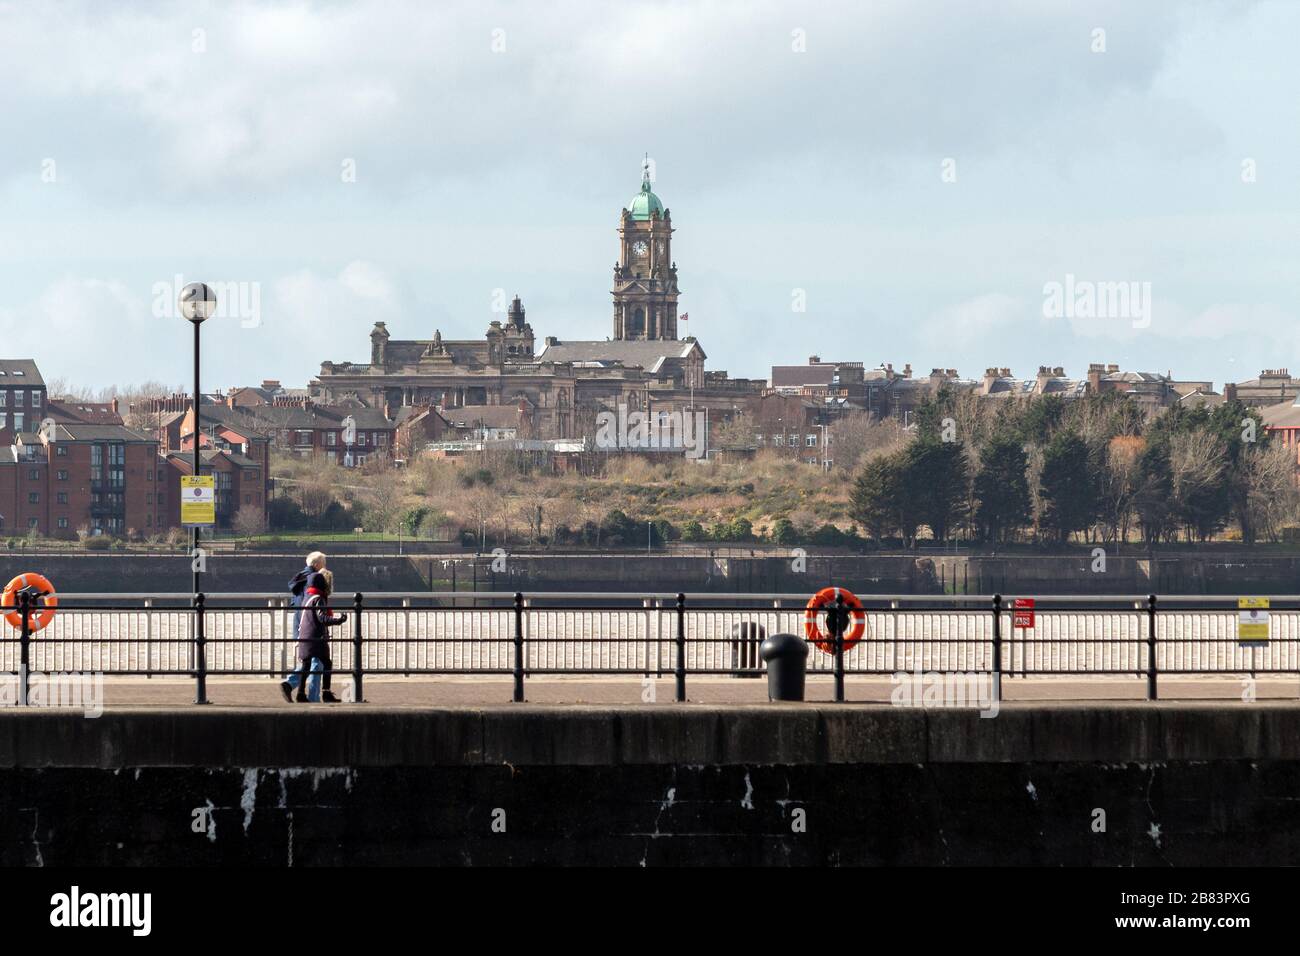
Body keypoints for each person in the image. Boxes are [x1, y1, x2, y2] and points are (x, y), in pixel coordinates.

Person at [280, 568, 346, 703]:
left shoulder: (307, 598)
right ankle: (325, 693)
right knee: (326, 663)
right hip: (316, 639)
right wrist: (339, 620)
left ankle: (300, 693)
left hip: (304, 637)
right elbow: (322, 618)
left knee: (306, 665)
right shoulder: (318, 599)